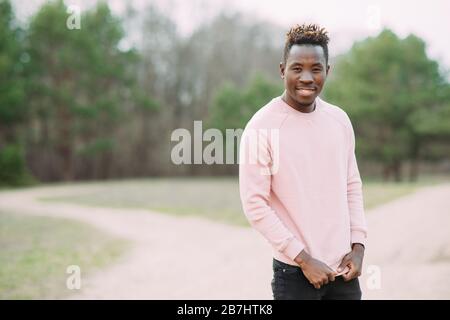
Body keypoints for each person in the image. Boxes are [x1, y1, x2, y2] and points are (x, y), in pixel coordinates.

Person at [239, 23, 367, 300]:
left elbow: (352, 186)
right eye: (297, 68)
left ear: (327, 71)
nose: (307, 77)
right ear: (283, 69)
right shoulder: (261, 127)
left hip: (344, 269)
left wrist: (358, 248)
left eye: (316, 69)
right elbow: (254, 204)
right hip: (295, 273)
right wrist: (304, 259)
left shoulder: (339, 121)